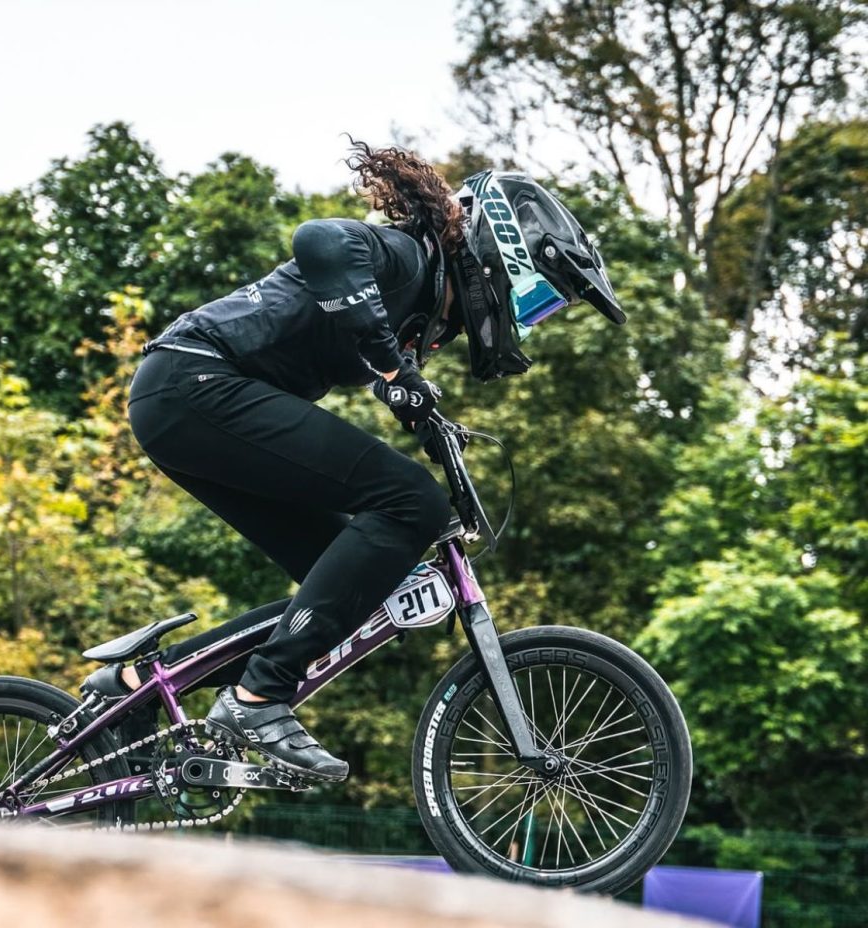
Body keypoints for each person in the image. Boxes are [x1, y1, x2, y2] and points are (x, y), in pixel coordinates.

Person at [82, 141, 625, 781]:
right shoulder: (406, 258)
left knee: (352, 590)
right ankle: (256, 700)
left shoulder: (419, 311)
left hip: (188, 404)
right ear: (500, 260)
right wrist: (395, 369)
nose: (529, 321)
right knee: (411, 501)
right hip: (195, 382)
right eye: (538, 301)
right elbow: (320, 241)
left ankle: (137, 686)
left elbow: (372, 359)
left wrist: (419, 409)